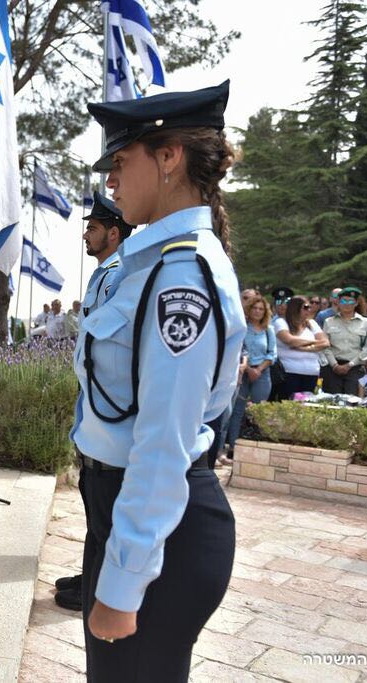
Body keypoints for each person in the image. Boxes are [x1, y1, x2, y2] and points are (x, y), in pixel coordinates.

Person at [77, 81, 244, 680]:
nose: (112, 180)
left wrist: (123, 581)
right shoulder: (152, 262)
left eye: (122, 162)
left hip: (161, 536)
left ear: (169, 157)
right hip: (126, 515)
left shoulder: (183, 277)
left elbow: (163, 443)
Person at [55, 193, 136, 614]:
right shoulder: (104, 274)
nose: (86, 234)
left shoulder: (118, 274)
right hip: (95, 403)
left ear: (113, 232)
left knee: (104, 504)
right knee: (93, 499)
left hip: (108, 406)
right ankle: (94, 573)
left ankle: (102, 586)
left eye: (92, 228)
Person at [223, 294, 275, 462]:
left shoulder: (269, 329)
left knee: (259, 411)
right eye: (255, 308)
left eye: (261, 309)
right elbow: (238, 348)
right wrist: (248, 369)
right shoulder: (242, 327)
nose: (258, 311)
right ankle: (233, 446)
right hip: (242, 372)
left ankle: (255, 445)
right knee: (237, 410)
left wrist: (258, 369)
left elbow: (272, 353)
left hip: (262, 372)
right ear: (249, 309)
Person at [321, 286, 367, 394]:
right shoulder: (329, 322)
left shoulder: (366, 322)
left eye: (351, 301)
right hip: (332, 367)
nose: (347, 303)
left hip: (355, 367)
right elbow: (325, 346)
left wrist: (350, 365)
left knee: (352, 401)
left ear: (356, 303)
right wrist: (334, 365)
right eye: (344, 300)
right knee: (331, 402)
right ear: (338, 302)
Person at [274, 295, 330, 398]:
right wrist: (314, 342)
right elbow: (290, 340)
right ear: (295, 308)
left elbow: (325, 343)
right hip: (289, 373)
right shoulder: (281, 322)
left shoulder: (312, 323)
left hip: (312, 373)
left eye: (309, 307)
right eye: (306, 307)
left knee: (308, 406)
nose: (309, 309)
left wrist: (304, 348)